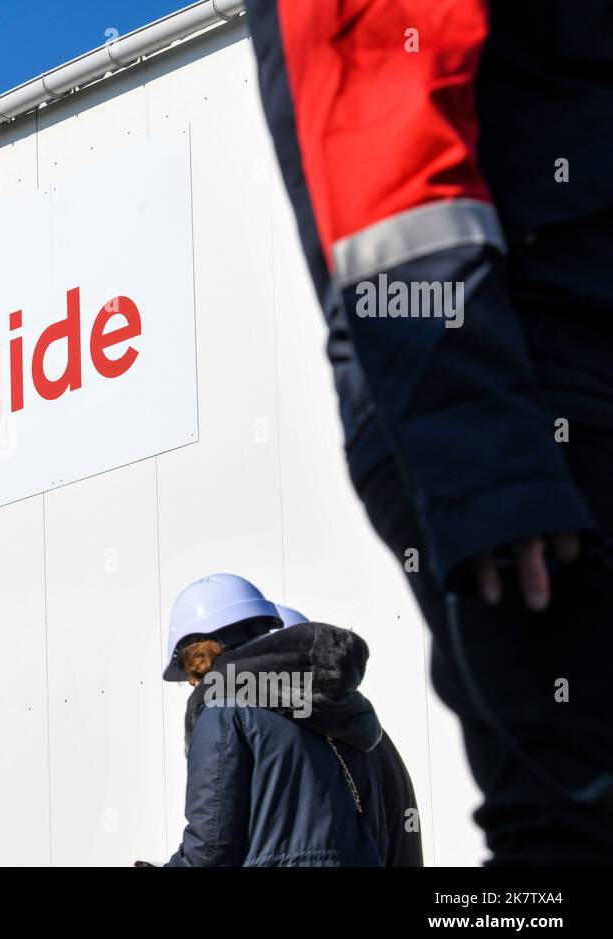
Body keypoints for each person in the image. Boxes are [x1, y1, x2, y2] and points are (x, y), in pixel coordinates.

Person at [243, 0, 613, 864]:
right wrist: (484, 448)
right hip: (520, 395)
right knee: (576, 815)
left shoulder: (254, 709)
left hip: (524, 394)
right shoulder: (331, 712)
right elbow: (381, 110)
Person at [161, 575, 421, 866]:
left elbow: (210, 852)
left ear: (200, 654)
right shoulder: (345, 714)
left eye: (191, 673)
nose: (194, 684)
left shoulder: (224, 709)